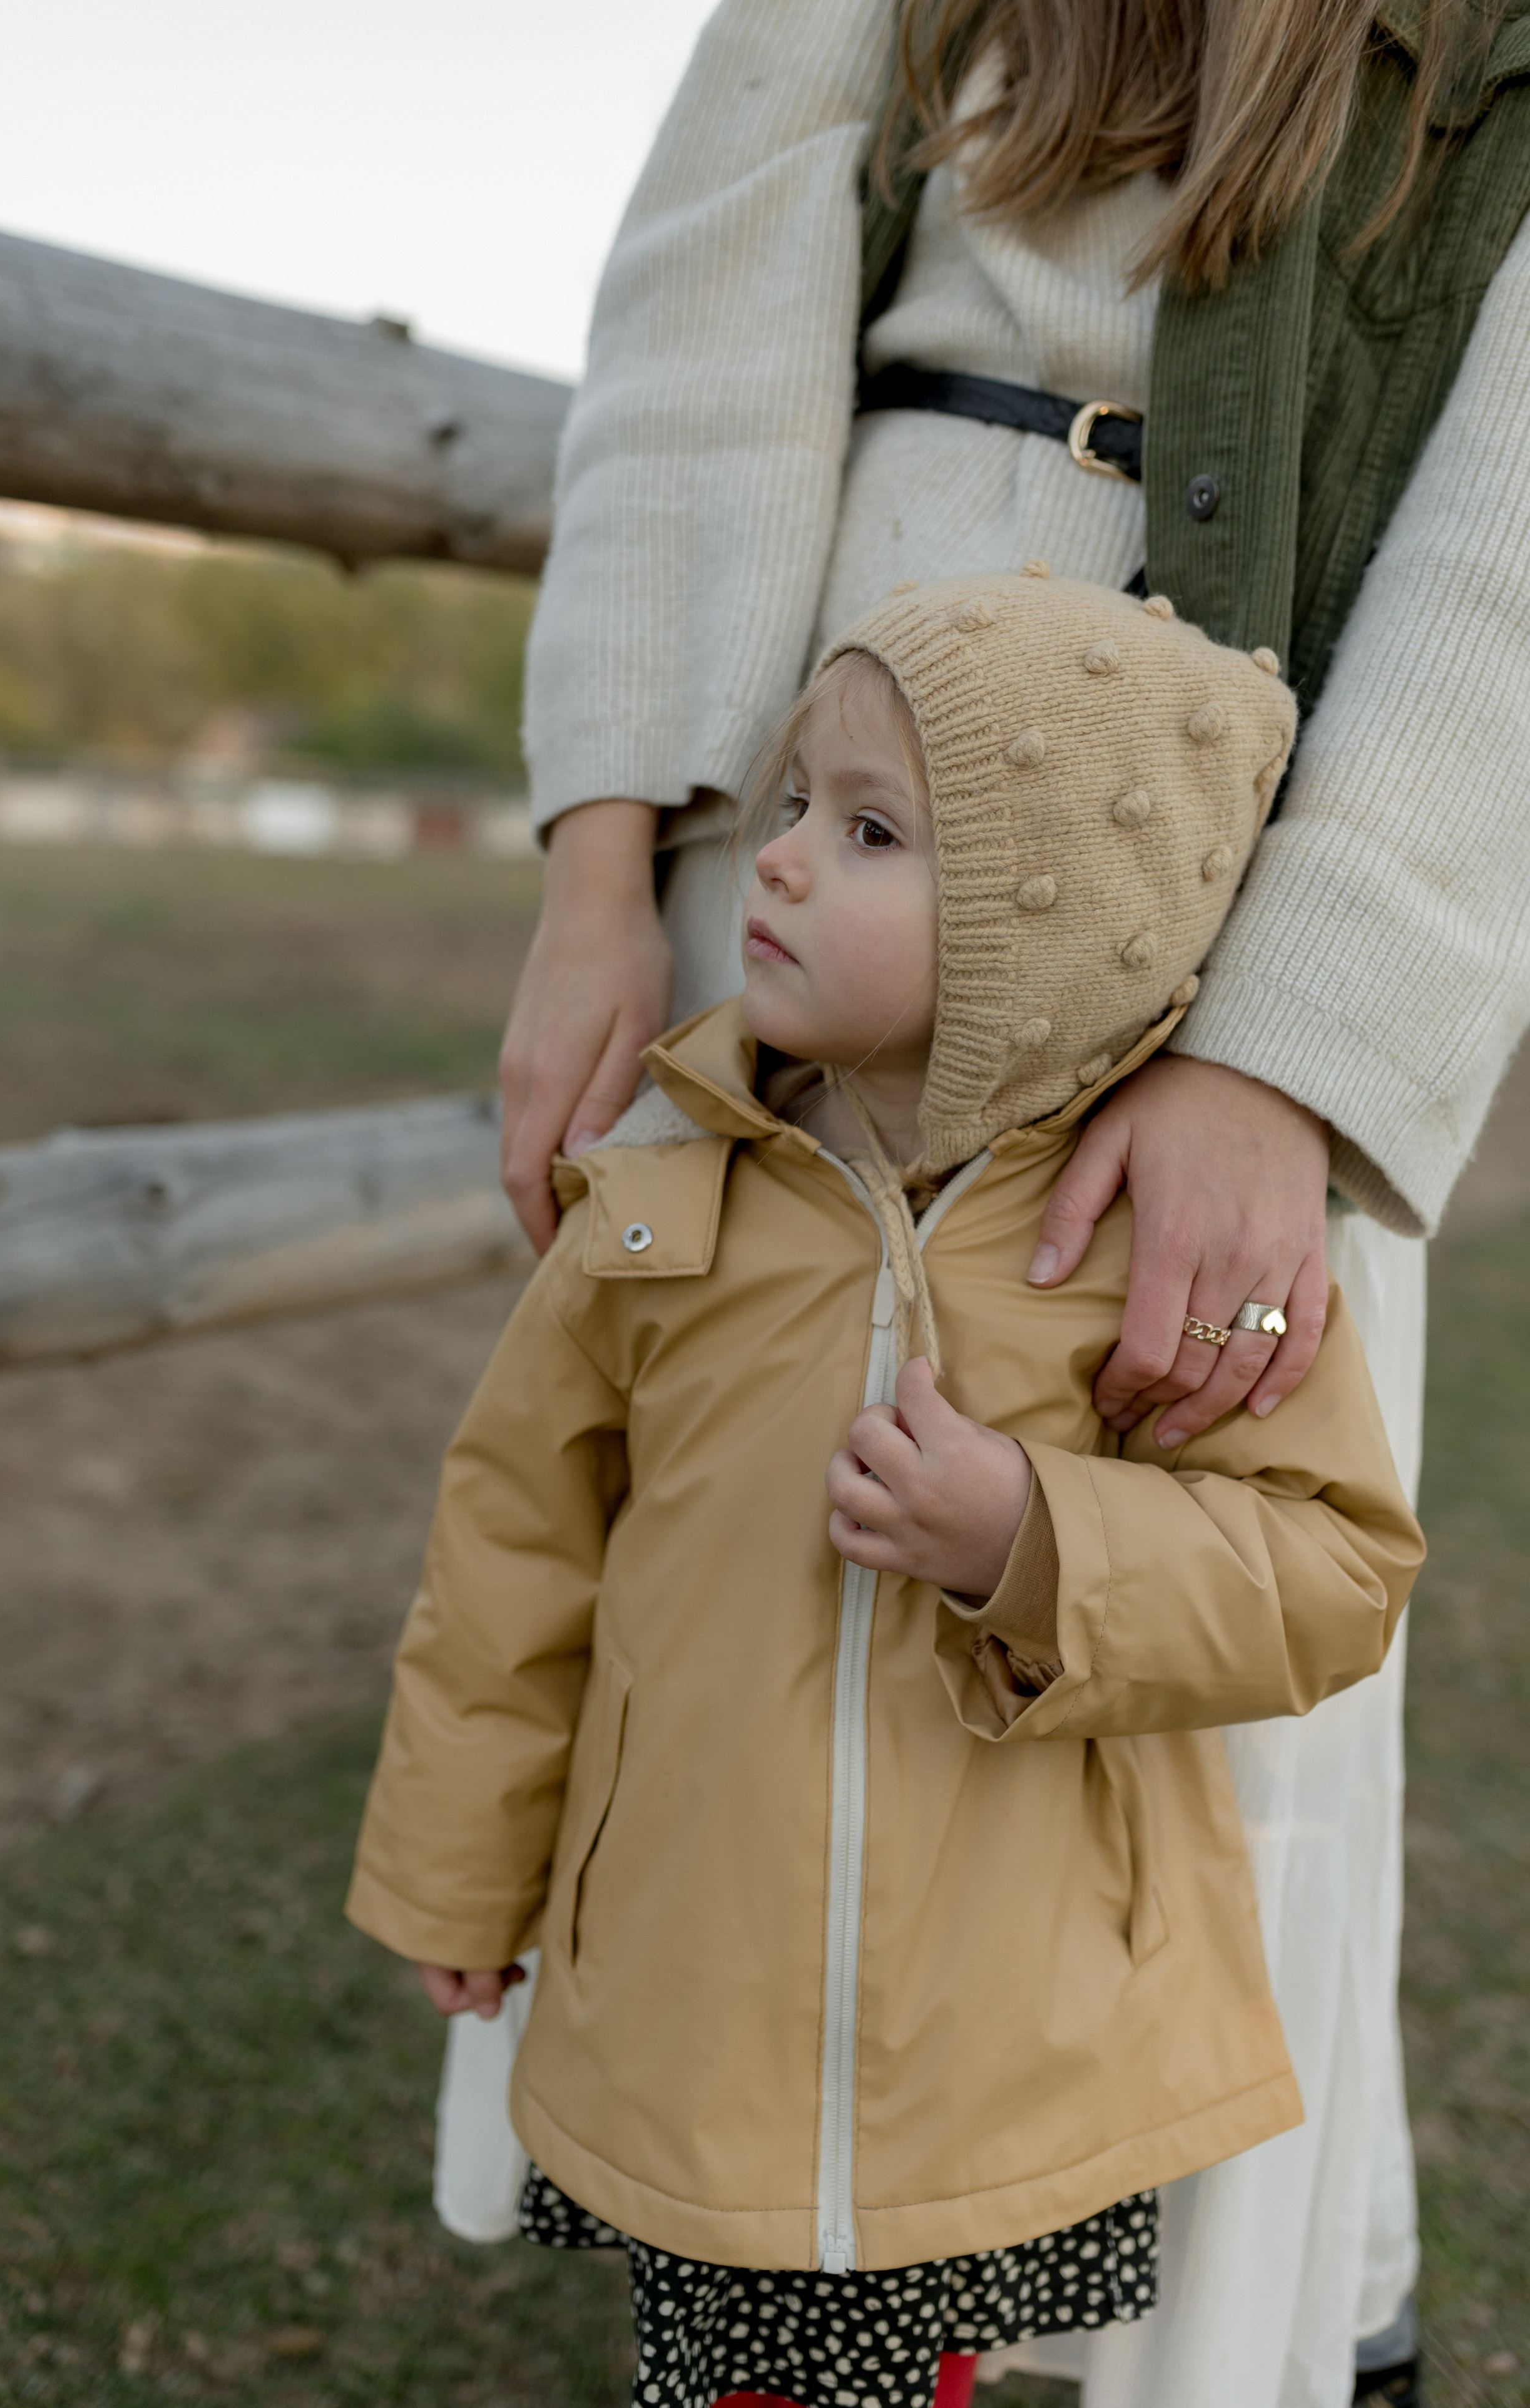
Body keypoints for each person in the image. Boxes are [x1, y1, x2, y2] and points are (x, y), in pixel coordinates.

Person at [493, 6, 1530, 2399]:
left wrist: (1293, 1050)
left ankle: (1161, 2320)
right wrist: (599, 868)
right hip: (826, 784)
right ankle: (750, 2248)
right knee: (720, 1535)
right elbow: (711, 323)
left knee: (1162, 1575)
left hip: (1238, 840)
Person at [350, 574, 1425, 2408]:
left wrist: (1031, 1536)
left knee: (909, 2370)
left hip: (1010, 2023)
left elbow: (1330, 1568)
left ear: (1051, 929)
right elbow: (512, 1560)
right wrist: (462, 1872)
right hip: (697, 1989)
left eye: (866, 831)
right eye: (787, 808)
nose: (772, 864)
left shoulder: (1146, 1252)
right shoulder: (664, 1196)